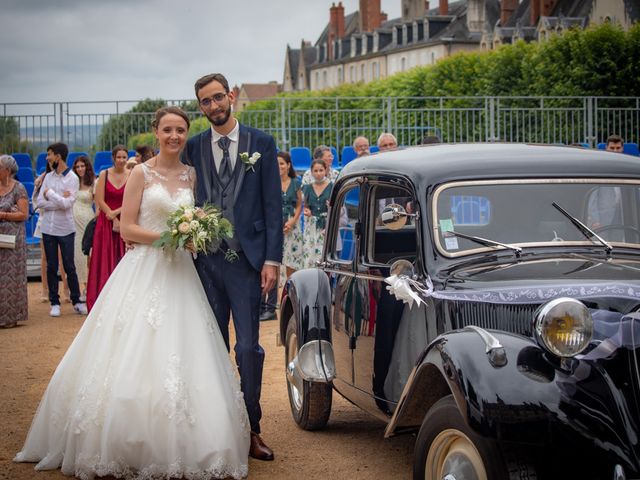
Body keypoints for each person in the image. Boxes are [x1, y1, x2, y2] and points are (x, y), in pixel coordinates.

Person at [14, 106, 250, 479]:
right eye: (167, 129)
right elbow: (127, 229)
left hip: (182, 275)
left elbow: (204, 215)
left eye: (181, 130)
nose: (174, 136)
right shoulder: (141, 172)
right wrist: (174, 237)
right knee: (131, 348)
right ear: (155, 132)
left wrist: (195, 234)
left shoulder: (192, 175)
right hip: (144, 268)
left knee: (187, 350)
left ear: (186, 134)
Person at [182, 73, 282, 461]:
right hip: (204, 264)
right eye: (205, 102)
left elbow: (274, 205)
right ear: (201, 106)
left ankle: (251, 427)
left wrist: (272, 259)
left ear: (232, 96)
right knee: (210, 346)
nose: (213, 106)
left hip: (247, 263)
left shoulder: (262, 144)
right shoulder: (193, 147)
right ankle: (214, 428)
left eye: (218, 97)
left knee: (247, 348)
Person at [35, 143, 87, 317]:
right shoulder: (48, 177)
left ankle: (77, 301)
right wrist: (56, 198)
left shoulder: (72, 178)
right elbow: (39, 203)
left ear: (58, 156)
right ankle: (54, 302)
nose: (47, 158)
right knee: (51, 266)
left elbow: (67, 204)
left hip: (66, 229)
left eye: (49, 154)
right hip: (48, 228)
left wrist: (49, 194)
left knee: (69, 266)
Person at [259, 151, 303, 321]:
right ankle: (271, 307)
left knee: (291, 266)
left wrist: (292, 221)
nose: (279, 167)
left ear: (288, 165)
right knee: (273, 266)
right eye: (276, 163)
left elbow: (299, 204)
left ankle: (290, 302)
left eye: (282, 163)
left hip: (292, 229)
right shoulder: (269, 183)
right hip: (273, 228)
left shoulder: (296, 183)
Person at [85, 144, 130, 311]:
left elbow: (133, 199)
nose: (121, 160)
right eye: (118, 157)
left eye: (124, 157)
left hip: (124, 219)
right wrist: (110, 215)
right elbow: (99, 199)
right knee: (103, 259)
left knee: (122, 258)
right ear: (113, 158)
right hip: (105, 223)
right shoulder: (104, 174)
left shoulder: (132, 175)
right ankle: (102, 300)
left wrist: (117, 214)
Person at [33, 162, 70, 303]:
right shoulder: (41, 180)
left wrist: (56, 204)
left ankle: (66, 290)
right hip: (44, 221)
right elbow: (36, 203)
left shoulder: (66, 179)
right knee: (45, 258)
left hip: (62, 222)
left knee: (62, 257)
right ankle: (45, 290)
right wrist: (57, 204)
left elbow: (68, 201)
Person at [0, 155, 29, 327]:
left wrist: (3, 215)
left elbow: (23, 214)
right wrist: (10, 211)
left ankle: (10, 317)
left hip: (13, 240)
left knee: (11, 278)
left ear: (7, 170)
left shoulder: (19, 188)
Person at [71, 155, 95, 299]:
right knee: (77, 254)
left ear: (87, 166)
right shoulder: (72, 182)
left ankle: (91, 287)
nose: (80, 169)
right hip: (73, 222)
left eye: (82, 166)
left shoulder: (94, 182)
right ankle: (84, 286)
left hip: (87, 218)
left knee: (89, 254)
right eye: (77, 167)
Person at [302, 159, 332, 269]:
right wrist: (307, 210)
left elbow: (341, 209)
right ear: (311, 172)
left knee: (323, 256)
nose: (318, 173)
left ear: (325, 171)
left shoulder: (332, 187)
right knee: (309, 255)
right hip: (311, 226)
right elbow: (304, 206)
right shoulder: (307, 188)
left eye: (321, 170)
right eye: (315, 171)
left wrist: (330, 208)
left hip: (326, 225)